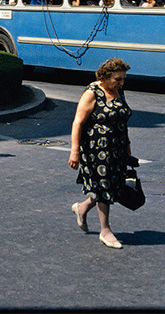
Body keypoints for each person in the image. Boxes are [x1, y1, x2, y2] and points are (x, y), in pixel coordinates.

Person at [68, 57, 134, 250]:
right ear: (104, 77)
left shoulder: (118, 91)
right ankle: (105, 231)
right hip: (96, 150)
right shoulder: (92, 93)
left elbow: (122, 120)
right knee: (104, 186)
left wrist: (128, 145)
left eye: (123, 79)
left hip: (118, 148)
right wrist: (74, 152)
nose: (121, 83)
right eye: (117, 79)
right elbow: (78, 122)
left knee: (111, 185)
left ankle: (82, 208)